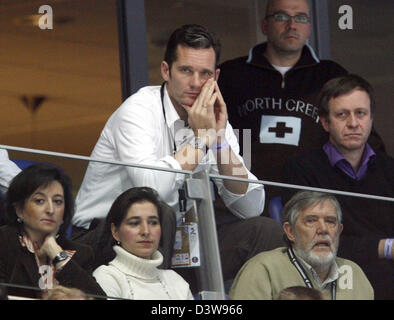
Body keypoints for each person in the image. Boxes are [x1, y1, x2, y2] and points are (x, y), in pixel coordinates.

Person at [71, 24, 284, 282]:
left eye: (204, 73)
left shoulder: (216, 119)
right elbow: (152, 191)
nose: (195, 83)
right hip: (105, 239)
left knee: (265, 231)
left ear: (215, 77)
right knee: (159, 213)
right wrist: (201, 140)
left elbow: (251, 207)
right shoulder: (137, 110)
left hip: (176, 243)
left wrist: (218, 142)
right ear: (165, 71)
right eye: (185, 71)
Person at [217, 0, 385, 205]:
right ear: (264, 26)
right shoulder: (232, 75)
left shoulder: (330, 75)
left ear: (309, 29)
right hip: (245, 198)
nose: (292, 25)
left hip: (316, 200)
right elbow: (212, 133)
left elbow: (366, 143)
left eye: (301, 18)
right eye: (281, 16)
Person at [281, 74, 393, 299]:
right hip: (332, 273)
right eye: (342, 115)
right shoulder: (301, 170)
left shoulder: (389, 169)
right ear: (325, 122)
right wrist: (385, 247)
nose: (353, 123)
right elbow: (310, 243)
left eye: (361, 113)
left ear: (371, 119)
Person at [229, 191, 374, 300]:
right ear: (290, 231)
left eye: (330, 221)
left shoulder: (354, 273)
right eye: (311, 221)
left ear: (339, 231)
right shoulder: (263, 268)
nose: (323, 229)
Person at [0, 163, 106, 299]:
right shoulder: (4, 242)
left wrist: (57, 254)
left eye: (57, 201)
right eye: (39, 201)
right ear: (19, 210)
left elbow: (99, 298)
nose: (50, 210)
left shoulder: (81, 253)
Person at [93, 187, 193, 300]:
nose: (146, 231)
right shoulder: (107, 277)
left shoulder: (175, 280)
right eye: (134, 223)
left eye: (153, 222)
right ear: (115, 231)